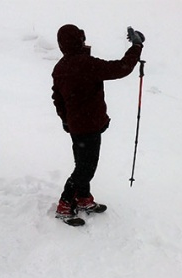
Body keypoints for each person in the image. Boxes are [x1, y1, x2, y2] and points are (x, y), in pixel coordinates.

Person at [51, 24, 145, 226]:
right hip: (89, 126)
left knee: (82, 164)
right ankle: (65, 204)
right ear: (79, 40)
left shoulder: (60, 68)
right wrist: (136, 47)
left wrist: (65, 119)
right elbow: (121, 68)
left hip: (77, 127)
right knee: (85, 169)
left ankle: (83, 198)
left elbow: (56, 98)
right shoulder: (85, 64)